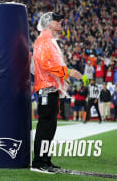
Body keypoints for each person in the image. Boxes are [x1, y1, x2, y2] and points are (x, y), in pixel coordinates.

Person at [32, 12, 82, 173]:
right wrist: (67, 72)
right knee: (46, 124)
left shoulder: (48, 40)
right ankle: (39, 161)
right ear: (48, 23)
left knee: (50, 125)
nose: (61, 23)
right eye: (57, 20)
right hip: (47, 87)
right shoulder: (44, 40)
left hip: (51, 88)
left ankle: (45, 159)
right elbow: (45, 63)